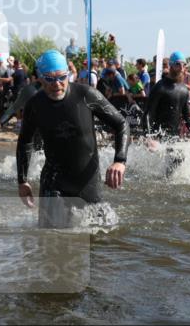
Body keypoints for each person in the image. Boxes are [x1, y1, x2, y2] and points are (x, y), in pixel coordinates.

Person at [16, 50, 128, 228]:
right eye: (50, 79)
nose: (57, 84)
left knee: (100, 235)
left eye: (62, 77)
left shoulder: (86, 95)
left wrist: (120, 161)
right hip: (53, 182)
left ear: (68, 74)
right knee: (48, 237)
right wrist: (22, 181)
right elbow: (25, 141)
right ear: (40, 79)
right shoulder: (35, 105)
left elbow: (121, 124)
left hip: (87, 182)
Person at [146, 52, 190, 139]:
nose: (181, 68)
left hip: (174, 139)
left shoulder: (183, 90)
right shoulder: (160, 87)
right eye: (178, 64)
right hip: (156, 138)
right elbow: (147, 114)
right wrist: (148, 138)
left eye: (184, 65)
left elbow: (187, 118)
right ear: (171, 65)